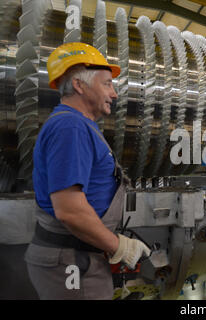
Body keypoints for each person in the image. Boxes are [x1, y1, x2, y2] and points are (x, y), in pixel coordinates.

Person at [24, 42, 150, 300]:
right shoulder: (70, 127)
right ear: (80, 85)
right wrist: (120, 247)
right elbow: (69, 211)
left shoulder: (78, 125)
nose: (114, 94)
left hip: (79, 255)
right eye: (107, 84)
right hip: (71, 260)